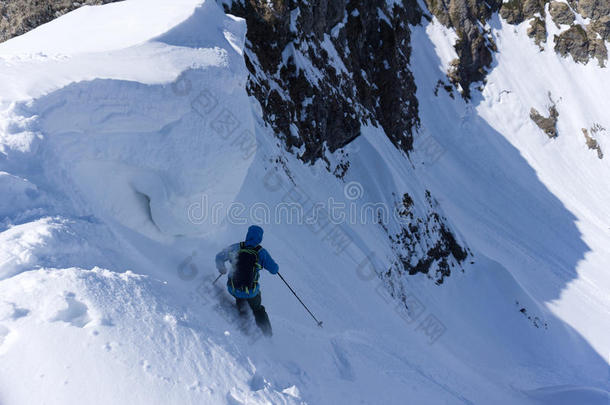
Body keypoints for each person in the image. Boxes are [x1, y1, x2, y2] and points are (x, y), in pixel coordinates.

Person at [215, 225, 278, 336]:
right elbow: (274, 270)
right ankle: (268, 334)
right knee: (258, 309)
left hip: (232, 288)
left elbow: (219, 257)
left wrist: (222, 269)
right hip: (251, 292)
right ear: (260, 238)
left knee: (240, 299)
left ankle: (243, 320)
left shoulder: (236, 247)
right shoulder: (261, 252)